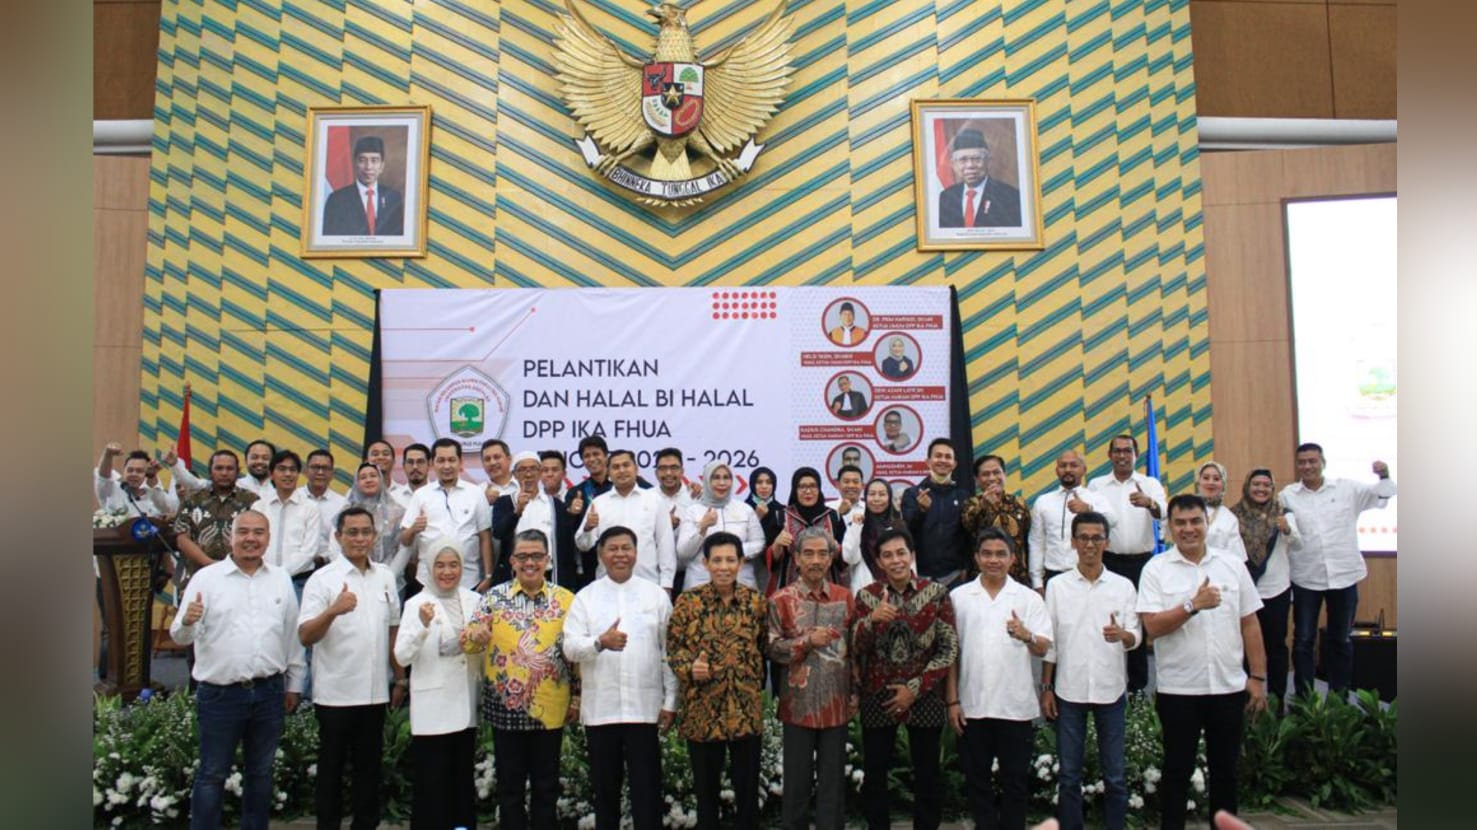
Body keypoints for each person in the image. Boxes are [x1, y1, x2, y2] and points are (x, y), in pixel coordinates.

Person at [1137, 494, 1268, 830]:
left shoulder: (1232, 565)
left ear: (1206, 523)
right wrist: (1192, 605)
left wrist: (1257, 677)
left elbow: (1250, 623)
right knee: (1176, 771)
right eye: (1180, 523)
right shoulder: (1156, 569)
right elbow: (1152, 627)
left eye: (1195, 521)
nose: (1189, 529)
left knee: (1226, 772)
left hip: (1228, 686)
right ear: (1169, 527)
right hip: (1179, 690)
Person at [170, 510, 305, 830]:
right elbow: (179, 636)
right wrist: (187, 621)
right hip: (220, 695)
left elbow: (292, 635)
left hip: (269, 692)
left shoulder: (280, 579)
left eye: (258, 532)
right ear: (231, 537)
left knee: (261, 772)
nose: (250, 539)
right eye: (243, 532)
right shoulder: (207, 579)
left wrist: (295, 684)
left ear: (268, 538)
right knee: (212, 774)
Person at [297, 505, 405, 830]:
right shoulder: (323, 579)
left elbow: (393, 631)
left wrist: (400, 679)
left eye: (365, 532)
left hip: (374, 693)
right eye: (352, 532)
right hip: (335, 694)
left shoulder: (385, 576)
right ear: (338, 536)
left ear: (374, 536)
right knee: (331, 771)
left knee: (369, 772)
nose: (359, 539)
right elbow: (305, 636)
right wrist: (332, 611)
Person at [563, 526, 677, 830]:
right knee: (605, 795)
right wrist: (599, 642)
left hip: (644, 709)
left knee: (647, 794)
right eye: (612, 549)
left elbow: (669, 652)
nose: (620, 555)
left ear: (636, 553)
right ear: (601, 554)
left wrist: (670, 700)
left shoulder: (656, 596)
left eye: (626, 548)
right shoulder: (586, 597)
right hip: (602, 710)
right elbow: (570, 647)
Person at [467, 529, 579, 830]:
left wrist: (577, 698)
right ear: (513, 561)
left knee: (546, 786)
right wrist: (476, 634)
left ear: (548, 560)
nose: (530, 563)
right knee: (510, 787)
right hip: (506, 711)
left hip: (550, 709)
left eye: (537, 556)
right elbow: (469, 641)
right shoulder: (493, 598)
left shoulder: (566, 600)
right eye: (523, 556)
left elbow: (576, 656)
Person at [850, 528, 958, 830]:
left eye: (901, 553)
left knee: (927, 773)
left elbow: (949, 648)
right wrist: (871, 621)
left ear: (912, 556)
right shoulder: (867, 596)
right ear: (878, 562)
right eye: (888, 555)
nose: (896, 560)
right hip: (878, 695)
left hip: (924, 695)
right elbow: (855, 648)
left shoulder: (936, 593)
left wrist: (915, 688)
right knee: (875, 773)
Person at [1040, 512, 1140, 830]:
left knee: (1115, 776)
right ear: (1073, 542)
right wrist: (1046, 688)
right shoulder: (1057, 586)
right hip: (1069, 689)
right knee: (1069, 775)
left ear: (1106, 543)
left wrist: (1122, 635)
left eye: (1097, 538)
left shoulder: (1123, 587)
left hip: (1111, 689)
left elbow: (1136, 637)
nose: (1090, 544)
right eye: (1083, 538)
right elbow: (1051, 643)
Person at [946, 528, 1051, 830]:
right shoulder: (959, 597)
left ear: (1013, 558)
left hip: (1015, 708)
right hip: (972, 706)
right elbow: (951, 654)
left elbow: (1044, 646)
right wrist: (952, 701)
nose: (994, 560)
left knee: (1015, 783)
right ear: (976, 557)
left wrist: (1027, 635)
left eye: (1001, 554)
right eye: (987, 554)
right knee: (977, 782)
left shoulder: (1028, 598)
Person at [667, 532, 768, 829]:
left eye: (730, 560)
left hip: (745, 710)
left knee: (747, 792)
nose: (724, 567)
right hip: (703, 711)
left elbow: (764, 647)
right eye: (717, 560)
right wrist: (690, 668)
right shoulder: (688, 602)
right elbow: (673, 650)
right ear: (706, 563)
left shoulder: (756, 602)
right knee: (706, 793)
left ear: (741, 563)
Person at [1278, 443, 1395, 697]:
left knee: (1340, 640)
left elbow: (1383, 496)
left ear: (1323, 463)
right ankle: (1305, 701)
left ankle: (1338, 702)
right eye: (1302, 462)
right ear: (1297, 465)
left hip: (1344, 576)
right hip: (1305, 577)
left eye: (1312, 461)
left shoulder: (1346, 489)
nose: (1307, 466)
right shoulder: (1287, 496)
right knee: (1303, 641)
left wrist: (1384, 474)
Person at [766, 526, 857, 830]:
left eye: (822, 553)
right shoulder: (781, 600)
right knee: (796, 784)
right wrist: (806, 642)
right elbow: (772, 649)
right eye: (808, 553)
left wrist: (855, 693)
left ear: (831, 558)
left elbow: (855, 651)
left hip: (836, 704)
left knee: (833, 785)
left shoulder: (845, 598)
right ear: (796, 558)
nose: (815, 560)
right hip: (798, 705)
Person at [392, 541, 481, 830]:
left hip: (464, 705)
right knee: (432, 785)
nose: (447, 572)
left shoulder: (474, 600)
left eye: (453, 565)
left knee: (461, 784)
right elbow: (402, 656)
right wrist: (421, 626)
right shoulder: (416, 604)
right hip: (432, 709)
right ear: (429, 568)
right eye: (440, 565)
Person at [1087, 434, 1166, 693]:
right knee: (1106, 620)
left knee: (1136, 624)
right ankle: (1105, 686)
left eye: (1127, 451)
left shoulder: (1149, 483)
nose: (1122, 455)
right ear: (1110, 455)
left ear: (1136, 455)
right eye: (1117, 451)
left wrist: (1150, 503)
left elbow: (1163, 513)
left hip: (1141, 564)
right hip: (1108, 562)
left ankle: (1137, 690)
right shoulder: (1096, 485)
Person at [1232, 469, 1300, 706]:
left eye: (1266, 485)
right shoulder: (1234, 515)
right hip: (1245, 590)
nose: (1261, 489)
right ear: (1247, 486)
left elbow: (1298, 543)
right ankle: (1246, 700)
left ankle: (1277, 699)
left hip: (1276, 590)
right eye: (1256, 484)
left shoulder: (1284, 514)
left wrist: (1287, 529)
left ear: (1273, 489)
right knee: (1244, 646)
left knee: (1276, 646)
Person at [575, 449, 678, 592]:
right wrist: (587, 528)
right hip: (608, 587)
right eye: (616, 467)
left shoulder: (654, 501)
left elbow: (665, 545)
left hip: (648, 585)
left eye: (626, 465)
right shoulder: (599, 503)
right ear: (609, 473)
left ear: (636, 469)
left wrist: (667, 584)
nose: (622, 470)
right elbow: (583, 545)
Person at [399, 437, 493, 591]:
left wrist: (488, 575)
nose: (446, 466)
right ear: (432, 463)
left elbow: (485, 537)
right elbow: (404, 540)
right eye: (441, 460)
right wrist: (413, 529)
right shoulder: (421, 495)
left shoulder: (475, 493)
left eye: (451, 460)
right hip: (427, 581)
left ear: (460, 462)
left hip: (468, 580)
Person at [1028, 450, 1116, 592]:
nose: (1068, 470)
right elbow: (1036, 542)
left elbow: (1113, 520)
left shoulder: (1096, 499)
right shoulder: (1043, 501)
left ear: (1084, 470)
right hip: (1053, 575)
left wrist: (1089, 509)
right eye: (1063, 466)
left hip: (1087, 575)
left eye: (1073, 465)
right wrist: (1037, 582)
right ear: (1057, 471)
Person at [492, 451, 580, 590]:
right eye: (522, 469)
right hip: (515, 576)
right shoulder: (504, 502)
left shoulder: (556, 505)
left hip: (550, 576)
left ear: (540, 473)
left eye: (533, 469)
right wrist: (517, 512)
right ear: (514, 474)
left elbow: (567, 546)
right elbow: (498, 532)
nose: (528, 474)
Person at [676, 461, 766, 590]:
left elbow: (759, 543)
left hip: (741, 584)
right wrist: (702, 528)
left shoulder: (745, 509)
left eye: (726, 477)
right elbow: (683, 552)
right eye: (716, 478)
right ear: (707, 481)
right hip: (700, 585)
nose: (722, 483)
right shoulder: (693, 511)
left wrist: (733, 552)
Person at [172, 449, 260, 580]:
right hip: (197, 575)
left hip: (239, 575)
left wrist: (229, 566)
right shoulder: (192, 500)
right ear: (210, 471)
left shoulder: (252, 501)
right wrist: (210, 564)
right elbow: (182, 539)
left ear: (238, 471)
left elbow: (258, 538)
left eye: (229, 468)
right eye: (219, 468)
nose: (224, 473)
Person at [902, 438, 972, 585]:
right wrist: (921, 511)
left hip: (954, 575)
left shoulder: (963, 496)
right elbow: (906, 531)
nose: (943, 460)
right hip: (921, 575)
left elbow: (968, 535)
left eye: (948, 457)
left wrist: (966, 566)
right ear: (928, 462)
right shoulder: (912, 494)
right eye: (938, 456)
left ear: (954, 464)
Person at [765, 467, 846, 594]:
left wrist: (834, 546)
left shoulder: (833, 517)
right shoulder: (780, 516)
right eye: (802, 487)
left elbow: (845, 559)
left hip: (827, 588)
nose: (808, 491)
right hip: (789, 588)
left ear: (819, 489)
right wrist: (777, 544)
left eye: (813, 486)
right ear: (795, 490)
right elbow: (770, 562)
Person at [257, 450, 325, 594]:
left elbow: (309, 551)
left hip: (298, 581)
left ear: (298, 474)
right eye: (282, 469)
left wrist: (280, 574)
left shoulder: (310, 508)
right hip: (261, 578)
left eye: (292, 470)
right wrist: (266, 573)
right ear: (271, 474)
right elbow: (255, 543)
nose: (288, 474)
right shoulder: (259, 506)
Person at [961, 453, 1032, 586]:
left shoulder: (1019, 503)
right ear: (977, 479)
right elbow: (967, 526)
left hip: (1018, 578)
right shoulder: (970, 504)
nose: (992, 478)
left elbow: (1028, 538)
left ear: (1004, 474)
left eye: (996, 472)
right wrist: (983, 504)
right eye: (985, 474)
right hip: (983, 578)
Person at [937, 128, 1022, 228]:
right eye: (963, 160)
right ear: (953, 164)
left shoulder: (1010, 197)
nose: (970, 165)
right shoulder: (946, 197)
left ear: (988, 162)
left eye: (977, 159)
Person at [321, 135, 405, 236]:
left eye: (374, 160)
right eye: (362, 160)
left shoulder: (393, 197)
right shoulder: (336, 200)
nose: (368, 167)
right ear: (355, 163)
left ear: (382, 166)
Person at [343, 462, 409, 588]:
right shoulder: (346, 511)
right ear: (357, 483)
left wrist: (388, 576)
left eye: (373, 476)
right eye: (363, 477)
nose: (368, 480)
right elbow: (336, 545)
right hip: (352, 578)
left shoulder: (397, 512)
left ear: (381, 479)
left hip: (390, 580)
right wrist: (348, 572)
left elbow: (404, 548)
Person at [842, 478, 909, 594]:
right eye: (872, 494)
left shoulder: (900, 526)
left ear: (889, 497)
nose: (876, 499)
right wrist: (856, 527)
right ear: (865, 498)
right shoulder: (857, 525)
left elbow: (908, 562)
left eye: (882, 494)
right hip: (865, 590)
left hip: (898, 590)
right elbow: (850, 559)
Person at [170, 438, 275, 497]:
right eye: (254, 457)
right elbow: (193, 484)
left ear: (274, 461)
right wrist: (175, 464)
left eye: (265, 458)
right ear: (246, 460)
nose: (259, 461)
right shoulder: (233, 485)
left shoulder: (281, 488)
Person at [94, 443, 177, 516]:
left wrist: (152, 476)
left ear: (146, 474)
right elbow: (103, 478)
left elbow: (166, 509)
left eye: (139, 471)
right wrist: (108, 454)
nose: (134, 474)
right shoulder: (113, 489)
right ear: (124, 471)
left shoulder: (153, 493)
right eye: (130, 470)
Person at [1195, 461, 1249, 561]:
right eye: (1206, 478)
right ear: (1198, 483)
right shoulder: (1185, 509)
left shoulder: (1229, 518)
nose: (1211, 482)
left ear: (1223, 485)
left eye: (1216, 479)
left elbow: (1237, 559)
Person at [300, 449, 348, 558]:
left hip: (330, 562)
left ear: (333, 473)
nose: (320, 472)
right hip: (296, 562)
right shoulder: (295, 498)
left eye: (325, 468)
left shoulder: (342, 504)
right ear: (306, 470)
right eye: (315, 467)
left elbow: (343, 540)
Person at [744, 466, 783, 594]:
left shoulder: (781, 510)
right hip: (748, 567)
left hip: (774, 570)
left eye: (768, 482)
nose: (764, 486)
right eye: (759, 482)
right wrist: (757, 518)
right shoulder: (743, 509)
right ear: (752, 485)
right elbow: (739, 539)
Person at [480, 438, 518, 506]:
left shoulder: (523, 486)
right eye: (487, 459)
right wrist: (484, 502)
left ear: (509, 459)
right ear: (483, 464)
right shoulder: (478, 492)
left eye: (497, 457)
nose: (492, 463)